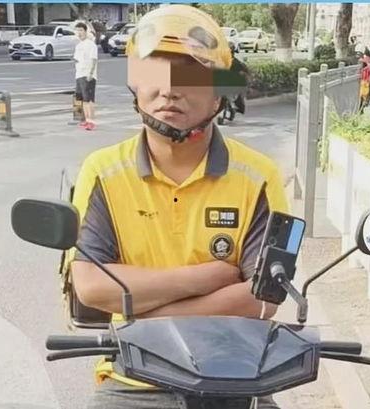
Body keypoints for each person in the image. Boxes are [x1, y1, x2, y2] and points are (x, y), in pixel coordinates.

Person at [69, 5, 288, 409]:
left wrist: (143, 317)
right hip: (134, 379)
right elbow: (91, 285)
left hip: (235, 374)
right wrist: (207, 276)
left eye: (190, 76)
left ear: (218, 93)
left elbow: (264, 298)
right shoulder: (102, 171)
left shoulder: (259, 177)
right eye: (154, 74)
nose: (169, 90)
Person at [73, 22, 98, 131]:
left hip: (87, 75)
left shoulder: (91, 44)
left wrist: (91, 74)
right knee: (81, 99)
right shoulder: (78, 45)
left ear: (85, 31)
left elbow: (94, 59)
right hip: (79, 74)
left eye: (81, 30)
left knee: (89, 99)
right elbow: (76, 59)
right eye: (77, 30)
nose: (79, 33)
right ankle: (86, 120)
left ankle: (91, 121)